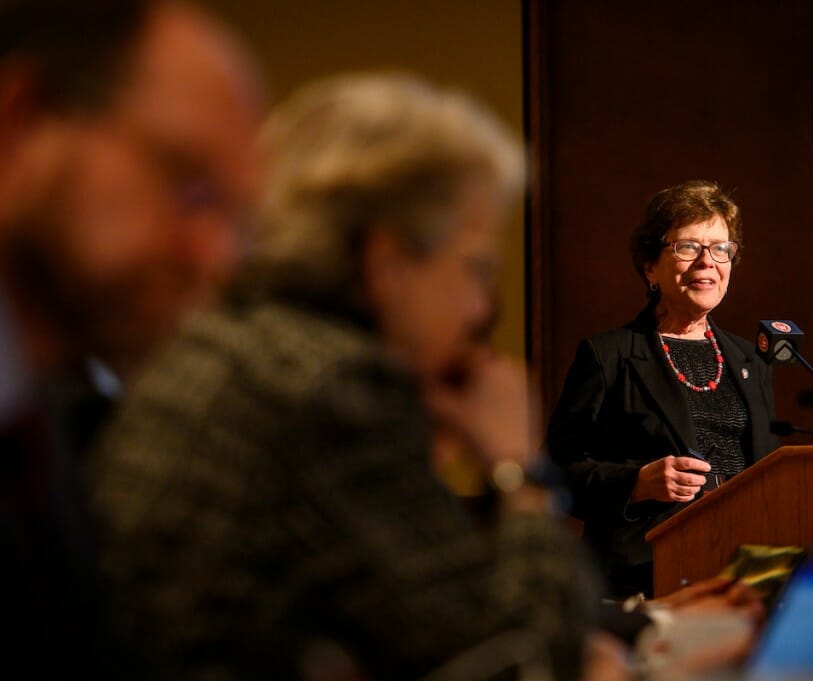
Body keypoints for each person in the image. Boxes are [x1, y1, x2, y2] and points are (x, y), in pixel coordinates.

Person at [89, 73, 601, 681]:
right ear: (387, 264)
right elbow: (523, 667)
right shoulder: (329, 387)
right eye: (476, 267)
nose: (482, 308)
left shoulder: (232, 348)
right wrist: (520, 469)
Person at [0, 0, 263, 672]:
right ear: (20, 122)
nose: (212, 257)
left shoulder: (51, 416)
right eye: (190, 186)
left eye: (234, 219)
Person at [546, 180, 778, 599]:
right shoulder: (609, 356)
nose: (707, 262)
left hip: (743, 577)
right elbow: (556, 473)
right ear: (650, 266)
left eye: (721, 248)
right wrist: (636, 483)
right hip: (647, 577)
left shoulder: (750, 362)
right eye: (687, 247)